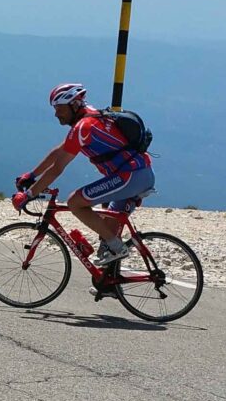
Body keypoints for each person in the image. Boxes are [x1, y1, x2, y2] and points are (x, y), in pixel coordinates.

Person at [15, 81, 155, 264]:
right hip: (136, 174)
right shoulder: (89, 117)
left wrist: (28, 194)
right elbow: (60, 151)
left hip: (131, 177)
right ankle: (111, 285)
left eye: (60, 108)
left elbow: (57, 167)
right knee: (107, 234)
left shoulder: (83, 127)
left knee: (75, 201)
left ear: (74, 104)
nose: (56, 113)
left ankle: (118, 248)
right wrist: (32, 175)